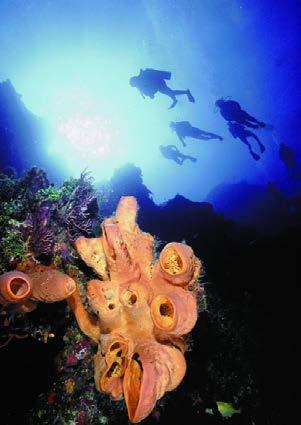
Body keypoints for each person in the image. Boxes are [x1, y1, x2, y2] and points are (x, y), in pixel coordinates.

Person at [130, 68, 195, 109]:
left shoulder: (141, 79)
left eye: (135, 84)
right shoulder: (140, 84)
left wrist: (150, 95)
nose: (136, 85)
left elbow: (145, 90)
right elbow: (144, 90)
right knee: (169, 92)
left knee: (170, 92)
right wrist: (148, 95)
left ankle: (185, 93)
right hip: (158, 85)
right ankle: (176, 99)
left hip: (158, 83)